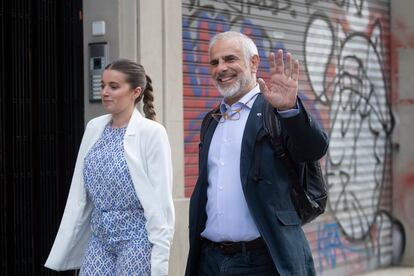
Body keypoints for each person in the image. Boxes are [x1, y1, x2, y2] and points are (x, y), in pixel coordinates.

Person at [185, 31, 329, 275]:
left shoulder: (275, 109)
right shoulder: (212, 120)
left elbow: (313, 149)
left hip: (263, 261)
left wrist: (289, 110)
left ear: (253, 63)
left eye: (230, 59)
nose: (221, 68)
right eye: (214, 62)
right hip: (210, 260)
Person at [45, 59, 175, 276]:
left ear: (136, 91)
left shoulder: (152, 133)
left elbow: (161, 203)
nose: (105, 92)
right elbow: (80, 191)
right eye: (103, 85)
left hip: (136, 240)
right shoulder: (94, 127)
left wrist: (161, 259)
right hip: (99, 237)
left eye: (114, 87)